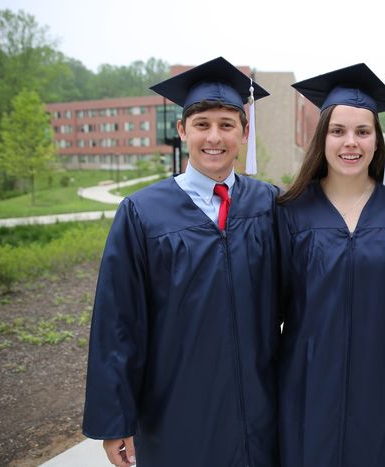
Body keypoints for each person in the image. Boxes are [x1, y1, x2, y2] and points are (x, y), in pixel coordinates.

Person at [82, 57, 280, 467]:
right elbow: (117, 322)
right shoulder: (142, 212)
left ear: (244, 134)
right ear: (181, 130)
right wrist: (115, 418)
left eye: (227, 125)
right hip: (176, 411)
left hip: (258, 411)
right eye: (202, 124)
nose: (214, 137)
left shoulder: (268, 203)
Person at [277, 63, 385, 467]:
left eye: (362, 131)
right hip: (309, 382)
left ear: (376, 140)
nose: (350, 143)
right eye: (338, 131)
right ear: (323, 138)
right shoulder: (290, 210)